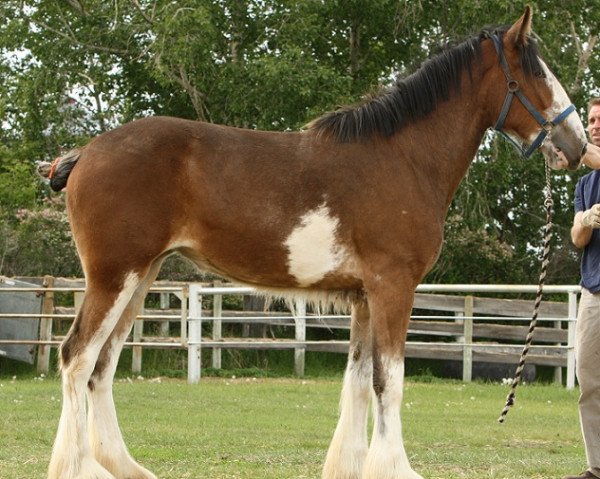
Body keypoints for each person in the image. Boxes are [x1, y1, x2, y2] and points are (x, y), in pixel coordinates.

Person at [564, 97, 600, 479]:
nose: (594, 124)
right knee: (589, 382)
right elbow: (576, 238)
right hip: (594, 293)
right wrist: (586, 219)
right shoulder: (586, 184)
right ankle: (597, 466)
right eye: (590, 119)